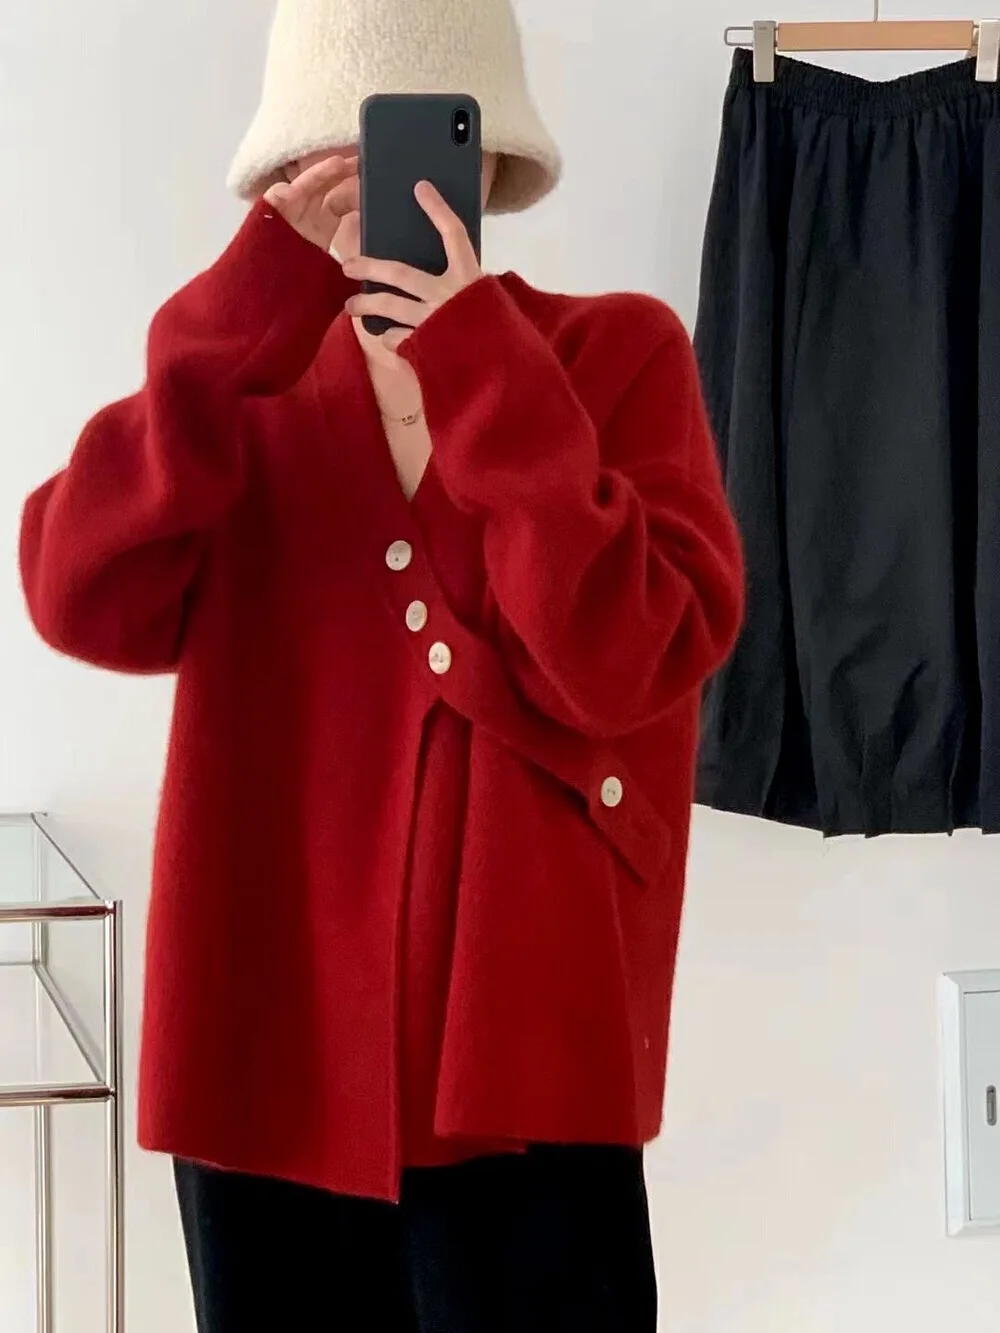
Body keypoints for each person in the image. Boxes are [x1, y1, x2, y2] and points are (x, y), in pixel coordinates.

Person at [19, 1, 743, 1329]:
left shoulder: (613, 354)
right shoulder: (235, 395)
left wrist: (478, 363)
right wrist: (244, 305)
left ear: (484, 155)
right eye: (328, 152)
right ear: (281, 174)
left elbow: (628, 659)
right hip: (264, 1047)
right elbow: (78, 597)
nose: (370, 183)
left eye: (416, 141)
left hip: (527, 1069)